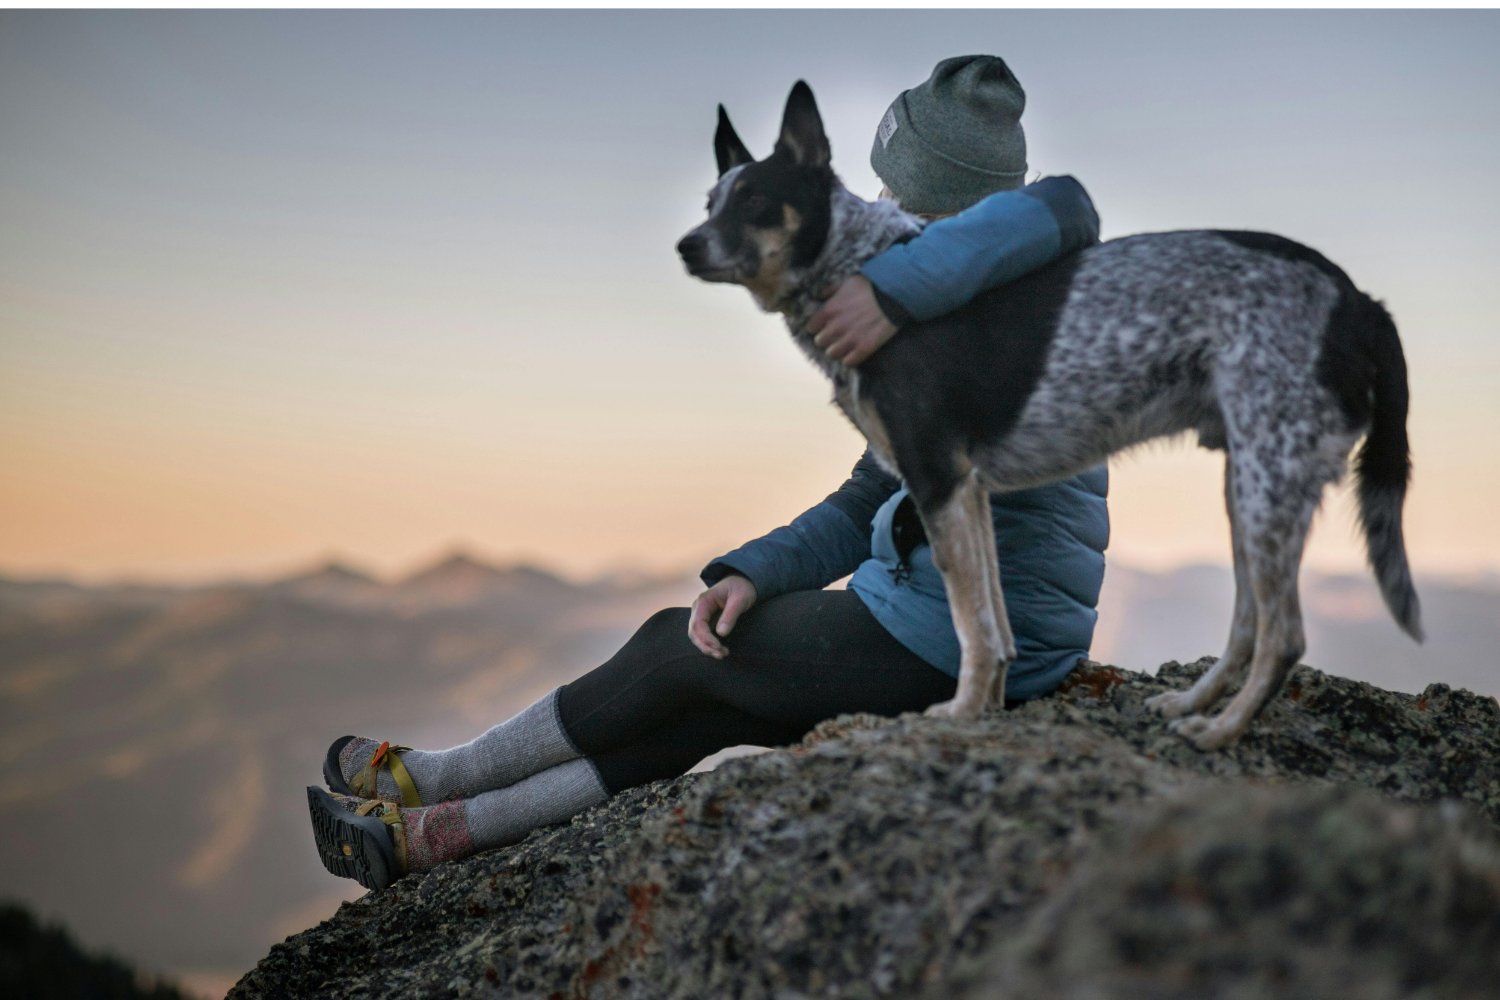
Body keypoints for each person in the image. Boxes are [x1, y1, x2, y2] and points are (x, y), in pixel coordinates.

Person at [308, 55, 1110, 891]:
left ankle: (435, 782)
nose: (872, 206)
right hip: (938, 614)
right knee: (707, 696)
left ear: (943, 206)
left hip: (971, 639)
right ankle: (431, 838)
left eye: (892, 190)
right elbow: (871, 490)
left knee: (676, 650)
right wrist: (754, 573)